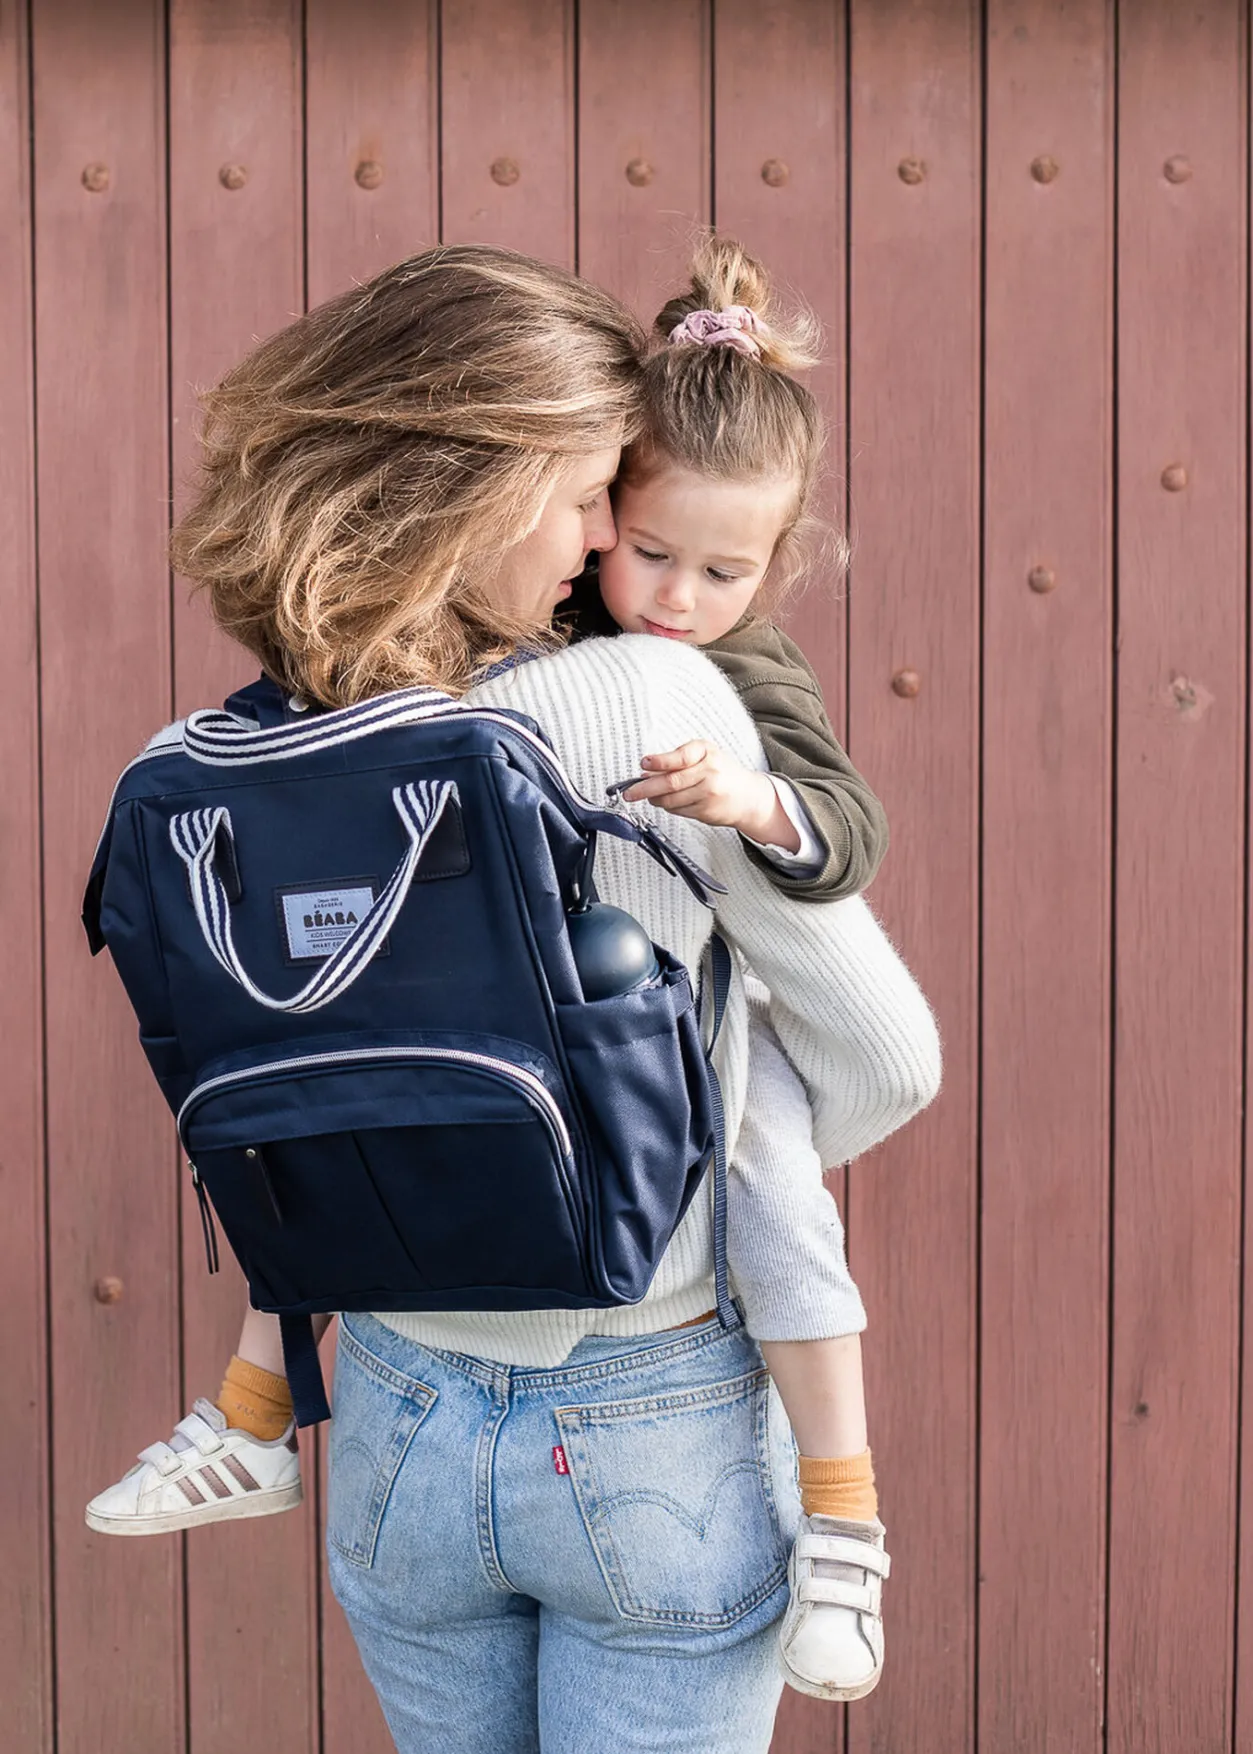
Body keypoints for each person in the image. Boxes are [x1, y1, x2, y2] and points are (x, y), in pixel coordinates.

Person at [87, 244, 940, 1751]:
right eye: (591, 492)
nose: (612, 531)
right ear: (486, 484)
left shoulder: (274, 738)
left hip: (396, 1411)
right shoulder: (653, 694)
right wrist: (742, 1127)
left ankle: (243, 1413)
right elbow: (889, 1058)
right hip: (644, 1408)